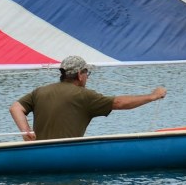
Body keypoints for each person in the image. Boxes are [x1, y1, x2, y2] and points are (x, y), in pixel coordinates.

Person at [9, 55, 167, 141]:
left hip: (37, 152)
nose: (87, 77)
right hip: (65, 155)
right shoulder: (84, 95)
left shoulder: (40, 91)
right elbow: (119, 103)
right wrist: (153, 96)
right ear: (79, 74)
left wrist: (26, 132)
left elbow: (15, 108)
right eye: (87, 73)